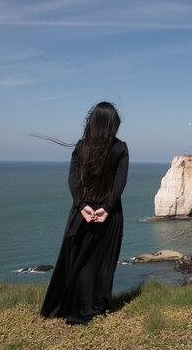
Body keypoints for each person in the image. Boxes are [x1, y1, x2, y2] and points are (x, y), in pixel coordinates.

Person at [40, 102, 129, 325]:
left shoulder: (81, 147)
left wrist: (81, 206)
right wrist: (107, 208)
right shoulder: (120, 148)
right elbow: (120, 184)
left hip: (82, 213)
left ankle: (67, 306)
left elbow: (72, 180)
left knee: (75, 260)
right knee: (101, 263)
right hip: (108, 215)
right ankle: (94, 308)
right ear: (111, 124)